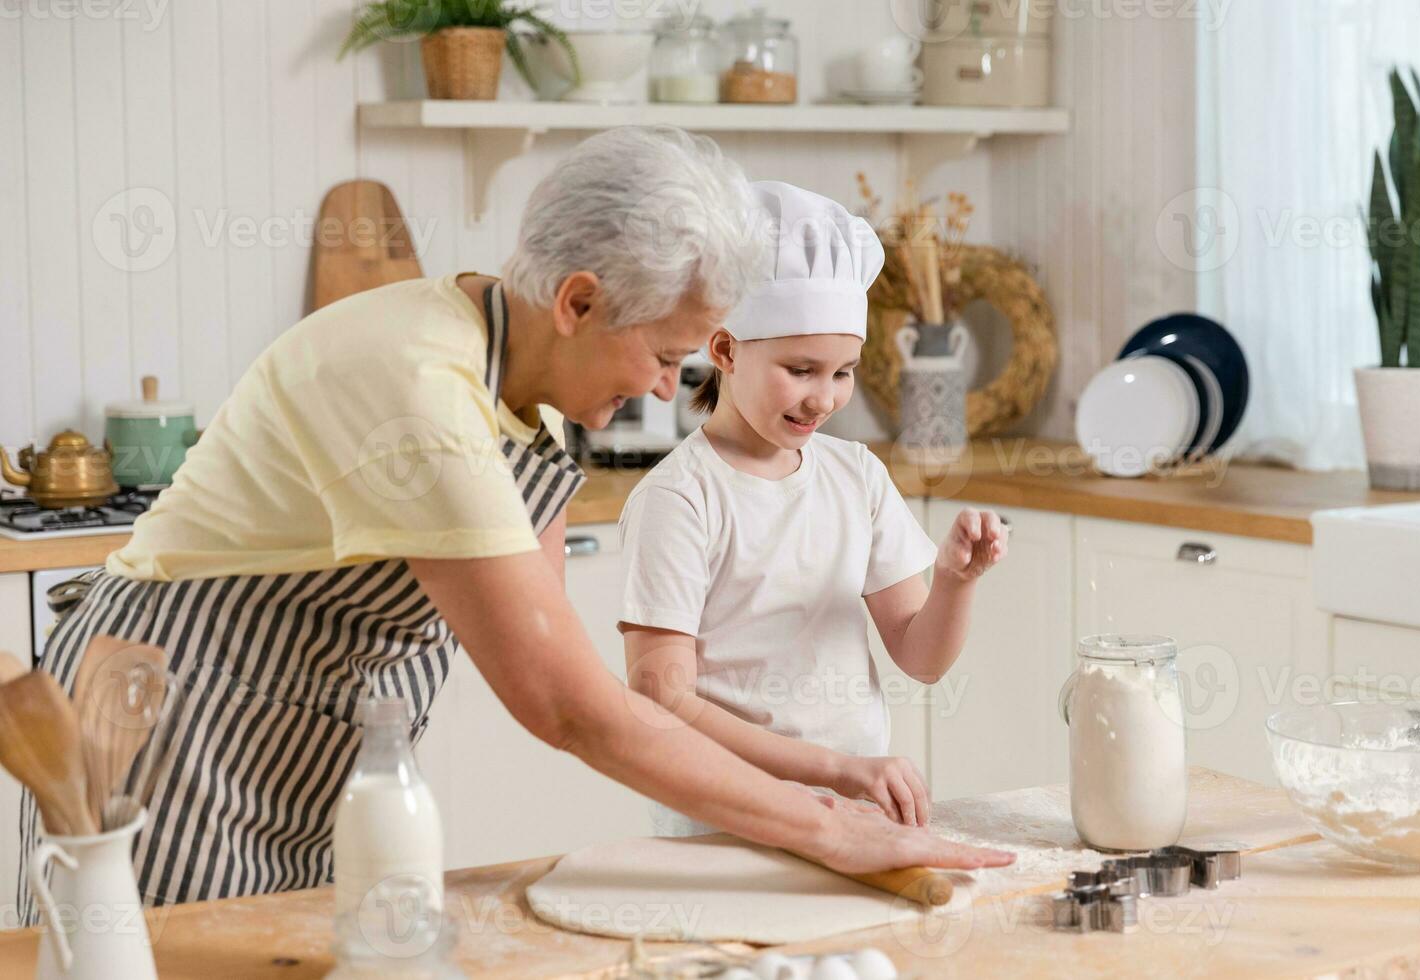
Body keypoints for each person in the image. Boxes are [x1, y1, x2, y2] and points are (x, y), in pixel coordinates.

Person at [17, 131, 1010, 924]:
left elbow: (574, 673)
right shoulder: (422, 390)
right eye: (666, 355)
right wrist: (831, 824)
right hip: (175, 718)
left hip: (301, 739)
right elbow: (568, 706)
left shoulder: (521, 381)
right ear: (578, 300)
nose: (668, 387)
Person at [618, 181, 1011, 837]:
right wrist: (836, 768)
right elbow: (662, 696)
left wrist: (954, 581)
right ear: (725, 350)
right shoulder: (680, 497)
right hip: (725, 824)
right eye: (801, 369)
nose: (825, 397)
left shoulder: (854, 474)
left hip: (851, 815)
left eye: (842, 371)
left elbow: (922, 657)